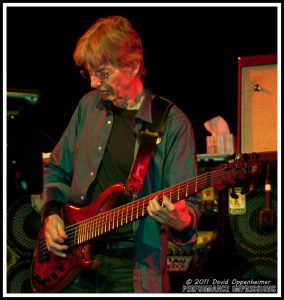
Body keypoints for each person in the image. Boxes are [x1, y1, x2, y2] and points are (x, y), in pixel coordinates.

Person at [39, 15, 201, 293]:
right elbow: (56, 169)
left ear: (133, 65)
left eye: (102, 73)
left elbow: (190, 213)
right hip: (71, 261)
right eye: (88, 73)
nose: (92, 82)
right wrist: (52, 214)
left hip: (133, 266)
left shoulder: (173, 123)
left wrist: (180, 219)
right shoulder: (88, 107)